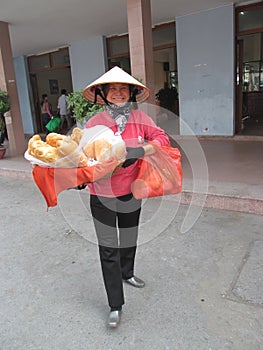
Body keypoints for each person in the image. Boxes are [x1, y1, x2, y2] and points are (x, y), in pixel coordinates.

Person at [82, 66, 170, 328]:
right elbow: (83, 155)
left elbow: (163, 139)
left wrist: (140, 150)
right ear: (103, 94)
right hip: (101, 194)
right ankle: (114, 304)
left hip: (132, 191)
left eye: (123, 89)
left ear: (131, 93)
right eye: (113, 89)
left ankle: (127, 272)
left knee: (129, 237)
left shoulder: (141, 119)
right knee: (109, 247)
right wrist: (80, 175)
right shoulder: (94, 124)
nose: (118, 94)